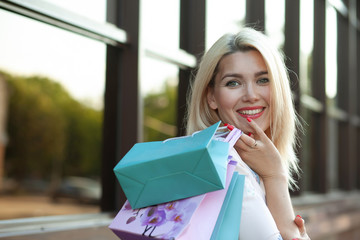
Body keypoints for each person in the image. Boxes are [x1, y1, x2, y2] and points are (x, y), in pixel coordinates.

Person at [186, 27, 310, 240]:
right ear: (211, 97)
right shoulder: (225, 164)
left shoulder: (255, 164)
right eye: (233, 83)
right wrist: (276, 177)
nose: (251, 96)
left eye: (263, 80)